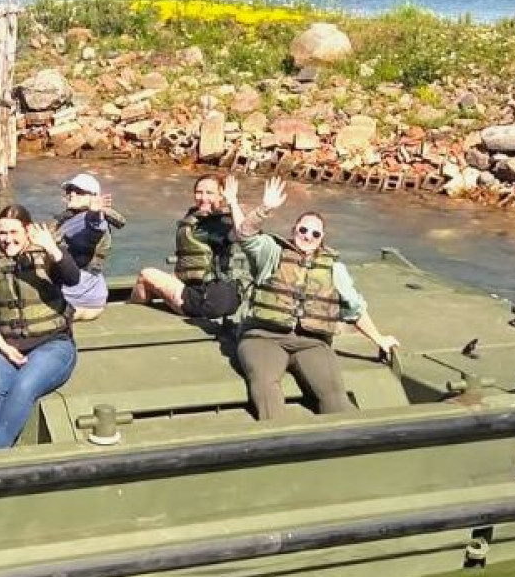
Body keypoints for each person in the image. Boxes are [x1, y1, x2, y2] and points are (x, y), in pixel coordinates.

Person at [229, 177, 400, 422]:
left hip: (312, 342)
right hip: (264, 337)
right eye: (303, 229)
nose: (307, 236)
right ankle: (280, 441)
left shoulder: (334, 267)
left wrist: (379, 339)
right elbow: (245, 234)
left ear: (322, 239)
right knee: (266, 385)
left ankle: (346, 444)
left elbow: (354, 308)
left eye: (314, 233)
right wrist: (265, 208)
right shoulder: (272, 252)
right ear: (293, 231)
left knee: (334, 395)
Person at [0, 206, 82, 449]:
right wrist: (1, 346)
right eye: (2, 233)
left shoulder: (47, 254)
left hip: (53, 345)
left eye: (14, 232)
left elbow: (72, 277)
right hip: (8, 348)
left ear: (27, 231)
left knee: (24, 386)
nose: (7, 239)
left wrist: (51, 247)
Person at [131, 173, 241, 321]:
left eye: (210, 193)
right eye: (199, 192)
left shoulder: (222, 225)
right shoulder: (197, 218)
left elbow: (244, 233)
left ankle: (131, 314)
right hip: (228, 300)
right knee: (164, 279)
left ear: (221, 196)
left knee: (146, 275)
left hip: (205, 302)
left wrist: (233, 201)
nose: (203, 197)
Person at [53, 172, 122, 321]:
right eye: (69, 190)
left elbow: (95, 227)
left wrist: (94, 212)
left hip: (76, 296)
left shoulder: (92, 219)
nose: (72, 194)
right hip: (92, 294)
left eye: (79, 191)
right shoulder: (71, 219)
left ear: (94, 197)